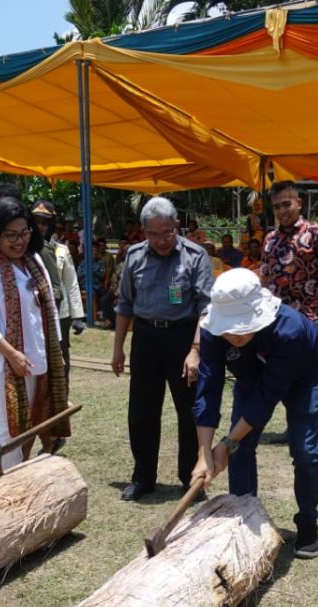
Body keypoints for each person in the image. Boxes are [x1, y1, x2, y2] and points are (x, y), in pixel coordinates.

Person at [192, 269, 318, 558]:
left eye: (239, 327)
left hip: (305, 377)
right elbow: (208, 389)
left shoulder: (289, 331)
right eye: (227, 328)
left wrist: (225, 443)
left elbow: (265, 399)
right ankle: (244, 519)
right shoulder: (213, 332)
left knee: (305, 451)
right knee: (240, 449)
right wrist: (204, 452)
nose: (232, 335)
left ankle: (307, 522)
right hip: (252, 377)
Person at [112, 196, 213, 501]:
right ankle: (143, 476)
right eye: (153, 234)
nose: (161, 241)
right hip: (146, 337)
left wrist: (195, 349)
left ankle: (189, 478)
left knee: (188, 410)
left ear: (176, 226)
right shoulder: (134, 257)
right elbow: (125, 304)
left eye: (166, 233)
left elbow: (206, 308)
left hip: (183, 338)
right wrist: (118, 348)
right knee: (142, 410)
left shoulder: (195, 256)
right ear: (143, 231)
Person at [0, 198, 70, 470]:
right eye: (10, 235)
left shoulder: (33, 260)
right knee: (11, 428)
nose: (18, 241)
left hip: (37, 356)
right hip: (3, 363)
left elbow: (49, 309)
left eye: (24, 233)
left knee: (35, 421)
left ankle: (20, 474)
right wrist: (12, 355)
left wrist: (57, 350)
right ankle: (3, 484)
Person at [260, 179, 318, 445]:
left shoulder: (317, 232)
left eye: (287, 204)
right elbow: (264, 275)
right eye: (277, 207)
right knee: (286, 374)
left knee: (316, 373)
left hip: (310, 317)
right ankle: (295, 424)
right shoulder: (270, 239)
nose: (283, 211)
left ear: (299, 203)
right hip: (278, 319)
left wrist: (313, 262)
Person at [31, 199, 85, 380]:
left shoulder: (61, 250)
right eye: (37, 221)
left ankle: (63, 394)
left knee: (62, 354)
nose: (41, 226)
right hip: (34, 310)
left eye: (45, 222)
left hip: (60, 312)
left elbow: (71, 283)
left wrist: (78, 316)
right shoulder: (24, 248)